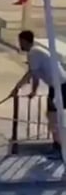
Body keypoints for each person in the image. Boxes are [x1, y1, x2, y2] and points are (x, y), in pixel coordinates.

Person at [10, 30, 66, 159]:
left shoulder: (33, 53)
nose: (19, 44)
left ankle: (59, 148)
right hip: (58, 85)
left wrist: (17, 88)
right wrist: (33, 91)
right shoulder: (37, 51)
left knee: (54, 119)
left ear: (24, 41)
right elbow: (36, 75)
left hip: (60, 86)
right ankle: (58, 146)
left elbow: (31, 74)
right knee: (53, 117)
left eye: (20, 41)